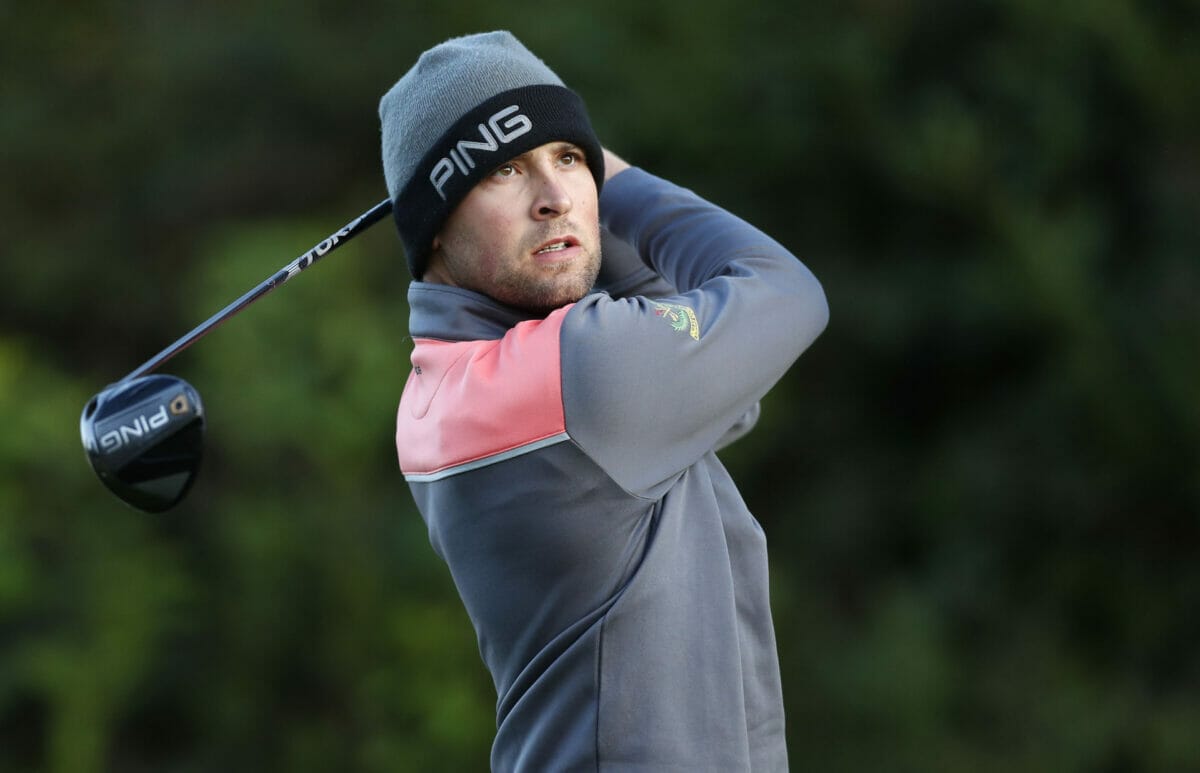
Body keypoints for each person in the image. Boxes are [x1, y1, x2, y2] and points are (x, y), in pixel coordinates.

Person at [379, 31, 828, 772]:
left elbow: (729, 391)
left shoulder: (435, 390)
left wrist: (571, 200)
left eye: (568, 158)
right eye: (504, 171)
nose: (555, 198)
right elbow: (784, 292)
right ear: (434, 226)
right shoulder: (580, 371)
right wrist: (612, 173)